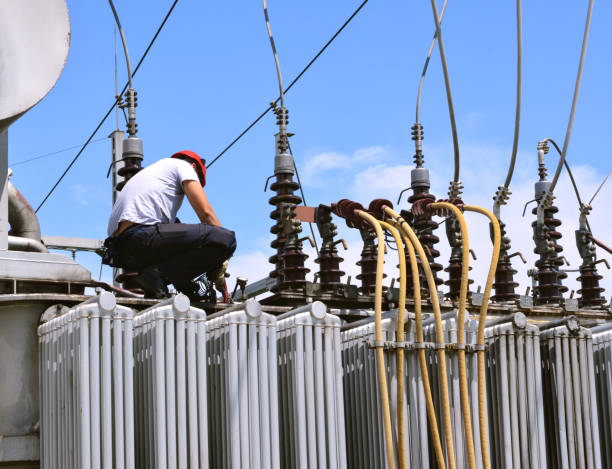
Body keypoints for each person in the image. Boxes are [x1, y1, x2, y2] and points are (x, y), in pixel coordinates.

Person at [102, 150, 236, 301]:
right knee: (225, 238)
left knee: (177, 225)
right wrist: (222, 258)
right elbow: (206, 214)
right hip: (142, 236)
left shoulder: (151, 173)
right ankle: (160, 275)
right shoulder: (183, 166)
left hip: (122, 250)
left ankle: (173, 284)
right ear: (193, 167)